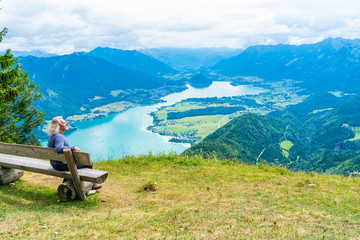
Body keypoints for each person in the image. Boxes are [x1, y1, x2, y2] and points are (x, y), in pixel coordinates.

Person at [47, 116, 102, 190]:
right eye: (63, 122)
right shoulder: (59, 136)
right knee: (88, 163)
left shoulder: (53, 136)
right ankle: (92, 184)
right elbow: (58, 149)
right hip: (60, 166)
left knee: (72, 165)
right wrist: (73, 147)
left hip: (55, 164)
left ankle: (66, 183)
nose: (66, 123)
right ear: (59, 126)